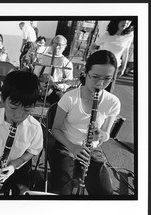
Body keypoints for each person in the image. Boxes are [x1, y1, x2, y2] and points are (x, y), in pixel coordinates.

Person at [49, 50, 121, 195]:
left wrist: (102, 135)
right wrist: (73, 148)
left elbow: (106, 134)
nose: (100, 83)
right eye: (95, 77)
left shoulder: (112, 102)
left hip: (92, 150)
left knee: (105, 192)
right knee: (63, 191)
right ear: (85, 72)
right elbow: (55, 129)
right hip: (66, 145)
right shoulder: (69, 98)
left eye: (107, 78)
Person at [89, 20, 134, 92]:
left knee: (108, 90)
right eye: (124, 19)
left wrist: (123, 67)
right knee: (95, 87)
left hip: (115, 67)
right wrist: (98, 56)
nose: (126, 22)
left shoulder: (129, 35)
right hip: (101, 65)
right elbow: (92, 47)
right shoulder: (107, 35)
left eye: (129, 20)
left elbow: (125, 52)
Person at [36, 35, 74, 106]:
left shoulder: (67, 63)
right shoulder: (43, 58)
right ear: (51, 44)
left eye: (60, 45)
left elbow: (69, 81)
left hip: (55, 89)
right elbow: (35, 75)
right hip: (39, 87)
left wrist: (58, 85)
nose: (57, 47)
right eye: (55, 44)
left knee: (61, 103)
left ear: (64, 47)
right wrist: (39, 84)